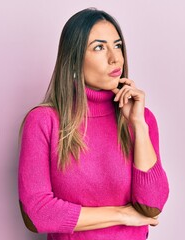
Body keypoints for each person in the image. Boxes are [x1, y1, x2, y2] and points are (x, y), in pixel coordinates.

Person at [18, 7, 169, 240]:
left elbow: (152, 206)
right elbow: (36, 214)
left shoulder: (142, 118)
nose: (114, 58)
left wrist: (138, 125)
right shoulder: (43, 121)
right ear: (74, 58)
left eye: (117, 45)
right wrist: (122, 215)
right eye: (99, 47)